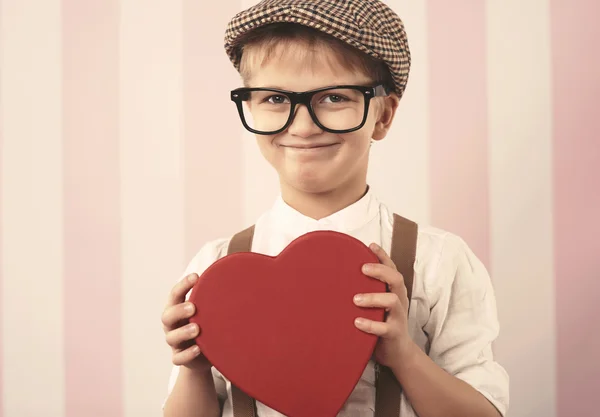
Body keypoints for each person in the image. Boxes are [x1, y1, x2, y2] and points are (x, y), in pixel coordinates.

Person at [161, 1, 509, 416]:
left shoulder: (439, 262)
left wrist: (405, 355)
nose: (303, 126)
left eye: (334, 97)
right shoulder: (216, 266)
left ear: (383, 115)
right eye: (274, 98)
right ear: (249, 107)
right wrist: (196, 370)